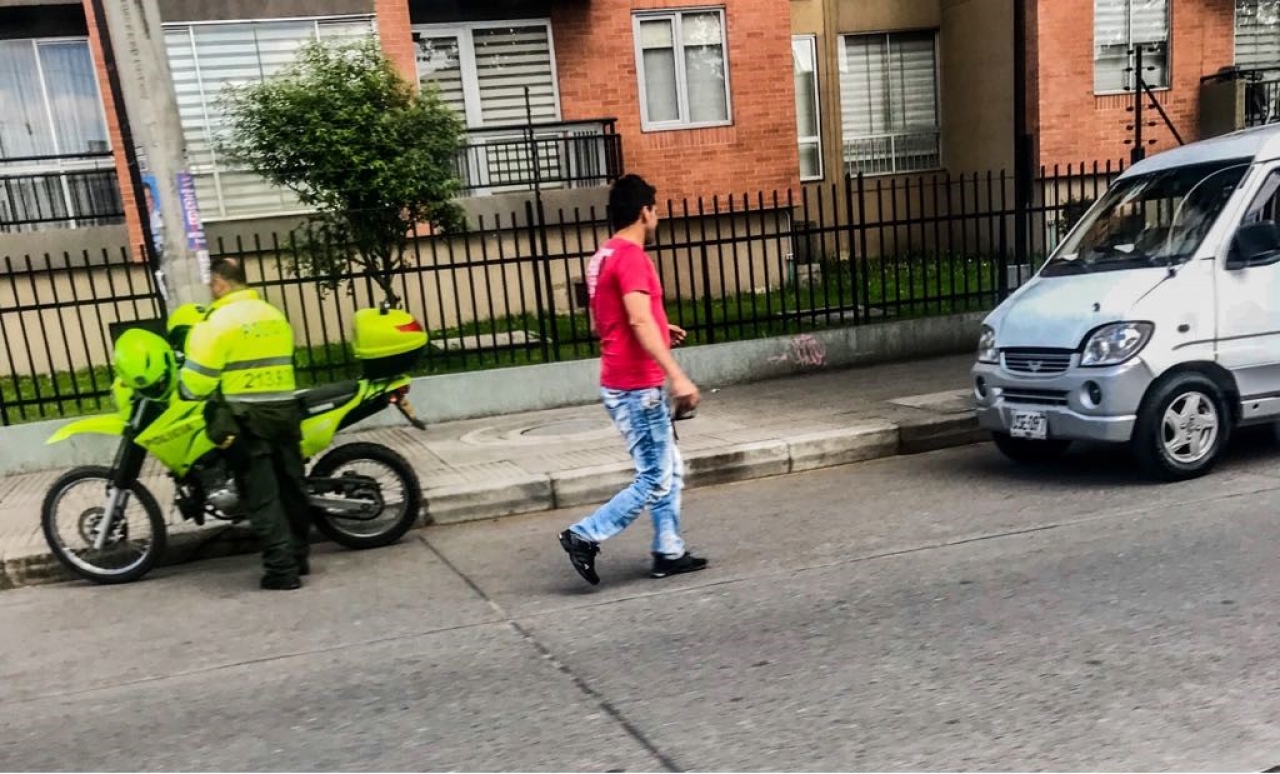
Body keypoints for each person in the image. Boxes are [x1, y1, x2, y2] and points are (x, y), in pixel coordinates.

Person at [559, 174, 708, 585]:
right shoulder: (631, 257)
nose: (657, 216)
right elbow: (637, 318)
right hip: (636, 386)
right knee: (655, 475)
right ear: (645, 211)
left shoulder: (602, 256)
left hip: (620, 380)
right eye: (656, 209)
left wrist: (662, 327)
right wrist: (676, 376)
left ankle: (668, 550)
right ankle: (584, 535)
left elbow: (603, 322)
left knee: (667, 467)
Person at [178, 258, 311, 590]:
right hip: (284, 411)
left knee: (262, 494)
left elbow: (197, 383)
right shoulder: (272, 313)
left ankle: (282, 570)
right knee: (291, 487)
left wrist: (185, 387)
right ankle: (299, 555)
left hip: (248, 419)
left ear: (221, 283)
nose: (211, 291)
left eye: (212, 285)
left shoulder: (217, 321)